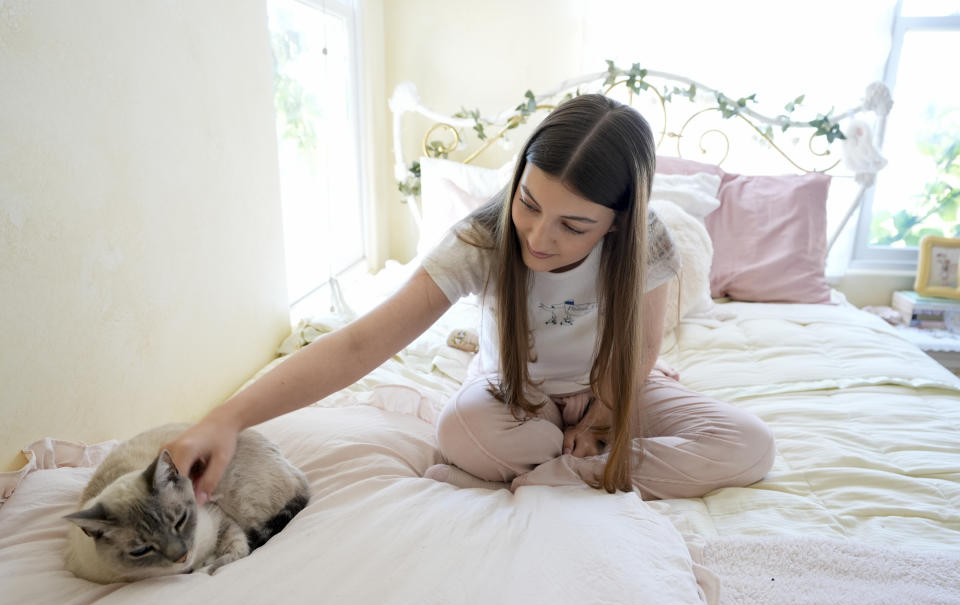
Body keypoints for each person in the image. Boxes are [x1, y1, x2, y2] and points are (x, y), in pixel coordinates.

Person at [165, 94, 775, 503]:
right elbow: (360, 342)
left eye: (574, 226)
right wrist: (226, 418)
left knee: (750, 447)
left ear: (616, 222)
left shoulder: (649, 242)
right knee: (461, 431)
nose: (539, 238)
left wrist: (602, 419)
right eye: (529, 205)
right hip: (517, 393)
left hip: (613, 386)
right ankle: (575, 465)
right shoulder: (483, 240)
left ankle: (564, 470)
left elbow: (641, 349)